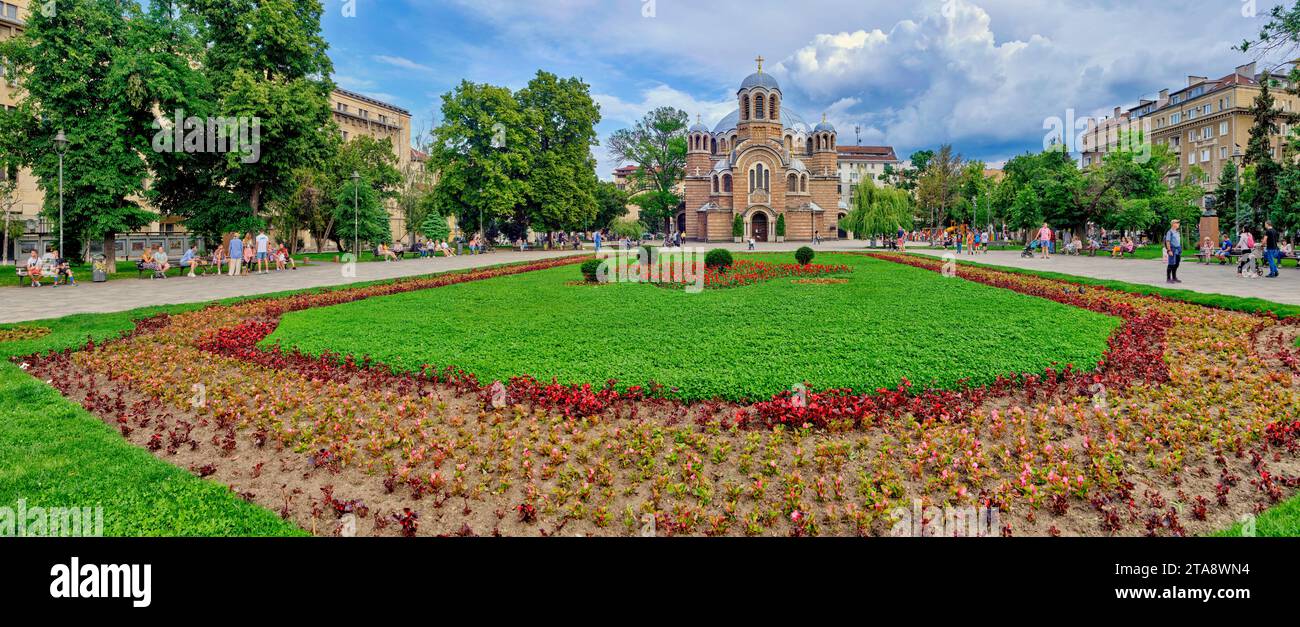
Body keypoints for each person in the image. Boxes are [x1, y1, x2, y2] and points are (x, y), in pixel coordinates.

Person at [1163, 219, 1182, 284]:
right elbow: (1167, 241)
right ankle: (1168, 279)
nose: (1178, 224)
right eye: (1177, 223)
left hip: (1178, 249)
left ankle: (1174, 277)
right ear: (1173, 224)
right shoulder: (1169, 232)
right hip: (1172, 249)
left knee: (1176, 264)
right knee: (1171, 264)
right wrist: (1169, 250)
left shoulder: (1177, 232)